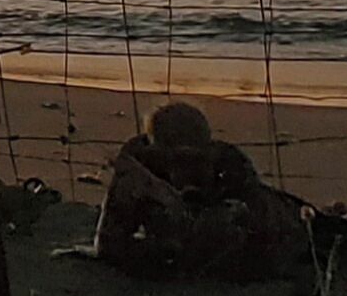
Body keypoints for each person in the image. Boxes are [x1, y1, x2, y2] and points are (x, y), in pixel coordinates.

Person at [93, 100, 311, 281]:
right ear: (156, 151)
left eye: (196, 160)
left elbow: (259, 250)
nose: (187, 169)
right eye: (177, 159)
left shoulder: (232, 169)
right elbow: (109, 243)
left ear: (209, 150)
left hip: (289, 220)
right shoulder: (138, 171)